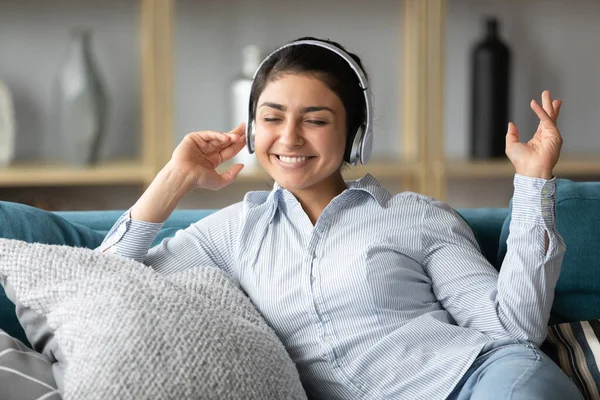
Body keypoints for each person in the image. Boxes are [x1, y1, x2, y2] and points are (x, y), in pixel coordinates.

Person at [97, 37, 581, 399]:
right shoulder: (231, 234)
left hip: (482, 381)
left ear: (353, 134)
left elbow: (512, 329)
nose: (289, 138)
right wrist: (173, 180)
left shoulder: (414, 216)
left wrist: (534, 181)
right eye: (271, 117)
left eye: (315, 119)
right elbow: (101, 286)